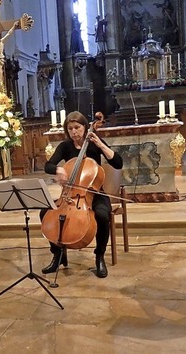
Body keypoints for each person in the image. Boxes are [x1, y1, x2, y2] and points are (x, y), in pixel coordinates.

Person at [40, 111, 123, 278]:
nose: (74, 132)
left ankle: (100, 255)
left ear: (85, 127)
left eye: (77, 127)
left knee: (101, 214)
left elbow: (118, 163)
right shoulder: (65, 146)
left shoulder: (94, 144)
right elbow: (48, 165)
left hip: (95, 192)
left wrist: (101, 145)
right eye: (70, 128)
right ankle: (58, 254)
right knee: (45, 212)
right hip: (70, 195)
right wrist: (58, 169)